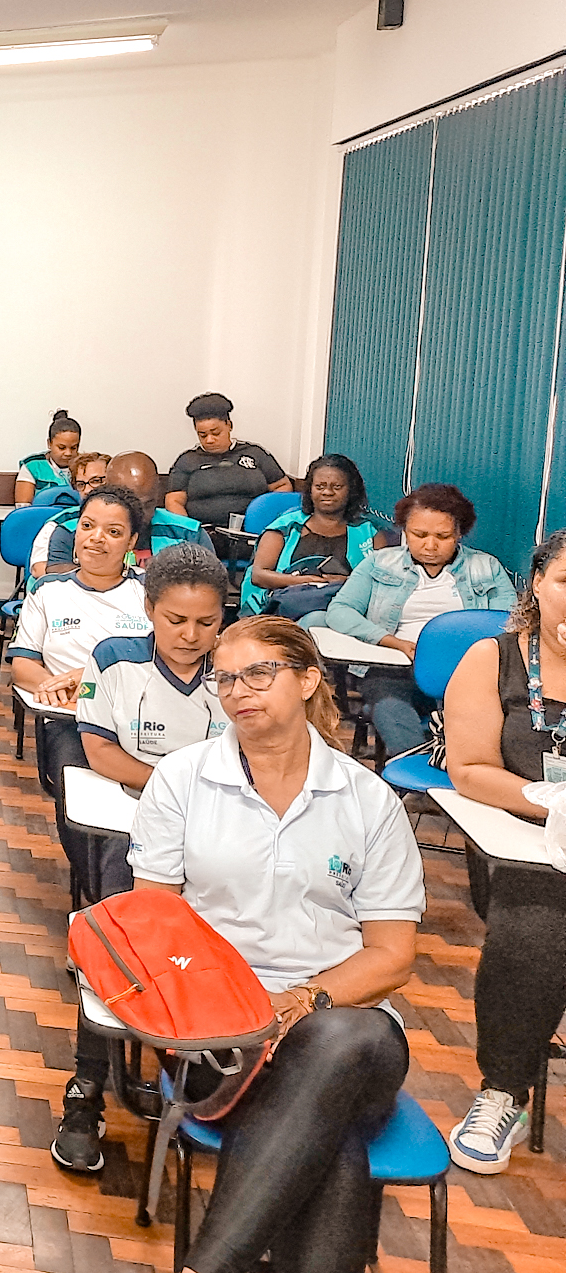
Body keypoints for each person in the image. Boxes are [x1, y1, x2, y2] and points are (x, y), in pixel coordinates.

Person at [131, 616, 423, 1273]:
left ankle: (204, 1269)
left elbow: (392, 956)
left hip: (341, 1019)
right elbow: (156, 922)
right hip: (219, 1032)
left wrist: (299, 1000)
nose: (239, 690)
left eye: (259, 673)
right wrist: (235, 1007)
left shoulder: (368, 801)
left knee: (340, 1041)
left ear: (308, 679)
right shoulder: (181, 780)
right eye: (225, 677)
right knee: (333, 1135)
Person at [51, 542, 231, 1174]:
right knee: (121, 939)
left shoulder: (236, 670)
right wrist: (179, 790)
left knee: (213, 941)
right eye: (176, 620)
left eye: (206, 622)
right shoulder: (115, 660)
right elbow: (101, 755)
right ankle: (87, 1089)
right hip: (134, 819)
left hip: (219, 829)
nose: (191, 635)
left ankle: (205, 1064)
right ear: (149, 611)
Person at [441, 529, 566, 1173]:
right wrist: (552, 804)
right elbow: (468, 768)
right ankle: (503, 1092)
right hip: (524, 841)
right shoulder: (492, 660)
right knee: (535, 930)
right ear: (539, 584)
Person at [323, 482, 515, 755]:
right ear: (404, 531)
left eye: (443, 536)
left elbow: (508, 621)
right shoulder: (380, 563)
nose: (430, 545)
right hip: (394, 668)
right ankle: (418, 767)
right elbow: (340, 610)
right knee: (391, 708)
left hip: (466, 672)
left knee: (482, 722)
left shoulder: (485, 568)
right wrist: (391, 641)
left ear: (460, 533)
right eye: (419, 534)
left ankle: (463, 766)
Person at [8, 486, 153, 820]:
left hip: (139, 718)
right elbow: (23, 666)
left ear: (132, 542)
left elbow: (163, 661)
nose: (96, 538)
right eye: (87, 526)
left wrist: (87, 679)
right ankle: (92, 874)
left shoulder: (149, 590)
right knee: (79, 804)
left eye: (113, 532)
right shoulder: (48, 591)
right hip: (69, 719)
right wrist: (59, 687)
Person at [241, 454, 390, 619]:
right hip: (280, 611)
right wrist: (307, 582)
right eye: (320, 486)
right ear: (310, 490)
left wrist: (344, 582)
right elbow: (259, 575)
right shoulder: (284, 527)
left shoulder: (370, 532)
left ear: (351, 490)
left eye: (337, 487)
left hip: (346, 611)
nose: (327, 492)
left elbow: (381, 583)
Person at [31, 452, 205, 586]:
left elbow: (207, 591)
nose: (139, 515)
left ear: (157, 492)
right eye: (130, 506)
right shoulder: (69, 528)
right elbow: (59, 587)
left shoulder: (188, 533)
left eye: (147, 504)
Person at [162, 392, 292, 528]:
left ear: (229, 425)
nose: (210, 440)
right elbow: (174, 501)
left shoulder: (255, 453)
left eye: (216, 433)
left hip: (253, 531)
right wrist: (191, 530)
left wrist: (264, 517)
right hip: (204, 532)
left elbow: (282, 486)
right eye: (203, 435)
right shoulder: (187, 460)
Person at [15, 411, 84, 504]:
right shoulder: (32, 466)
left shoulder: (85, 465)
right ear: (49, 443)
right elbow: (23, 506)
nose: (68, 453)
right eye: (62, 448)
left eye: (73, 448)